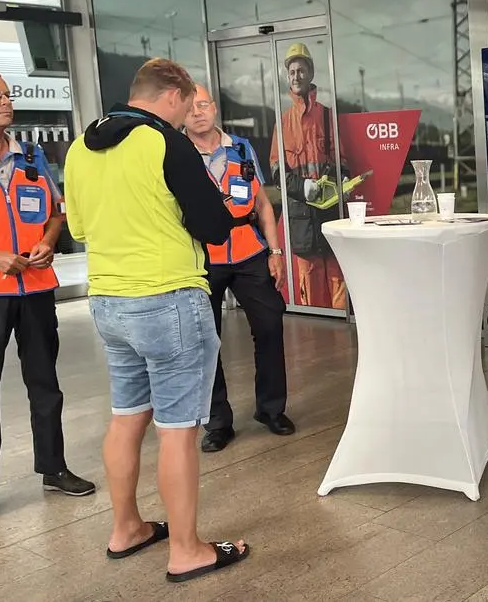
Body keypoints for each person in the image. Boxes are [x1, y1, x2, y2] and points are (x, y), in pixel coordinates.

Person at [64, 58, 249, 582]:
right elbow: (214, 224)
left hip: (108, 302)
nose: (189, 113)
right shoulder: (164, 142)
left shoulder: (80, 147)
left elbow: (77, 226)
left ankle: (126, 529)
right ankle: (187, 549)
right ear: (172, 95)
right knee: (177, 430)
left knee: (127, 416)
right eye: (188, 104)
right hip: (168, 300)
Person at [0, 67, 95, 531]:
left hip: (36, 288)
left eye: (6, 93)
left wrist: (50, 240)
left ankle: (53, 468)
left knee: (45, 383)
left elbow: (56, 212)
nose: (5, 101)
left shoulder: (32, 157)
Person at [184, 85, 295, 453]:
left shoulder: (241, 148)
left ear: (214, 108)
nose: (198, 112)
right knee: (206, 341)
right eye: (191, 107)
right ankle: (217, 422)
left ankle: (271, 409)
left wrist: (275, 251)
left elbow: (263, 204)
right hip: (202, 260)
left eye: (204, 104)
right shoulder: (176, 154)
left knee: (269, 327)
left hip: (249, 253)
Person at [272, 42, 350, 311]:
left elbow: (342, 162)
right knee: (310, 287)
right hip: (302, 222)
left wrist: (335, 183)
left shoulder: (328, 117)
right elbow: (277, 171)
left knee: (338, 283)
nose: (296, 75)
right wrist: (304, 187)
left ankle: (342, 339)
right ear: (288, 76)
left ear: (311, 73)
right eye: (292, 71)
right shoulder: (282, 123)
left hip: (329, 216)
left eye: (301, 70)